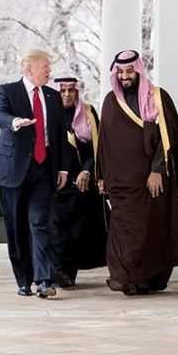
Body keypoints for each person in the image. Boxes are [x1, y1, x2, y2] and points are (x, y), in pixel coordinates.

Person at [96, 50, 178, 296]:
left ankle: (147, 279)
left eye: (129, 71)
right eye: (120, 72)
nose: (124, 76)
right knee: (122, 229)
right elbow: (104, 144)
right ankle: (124, 278)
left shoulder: (157, 98)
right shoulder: (111, 101)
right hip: (121, 182)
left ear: (138, 71)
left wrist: (157, 171)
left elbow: (168, 139)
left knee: (151, 230)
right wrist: (101, 176)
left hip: (150, 181)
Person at [0, 50, 71, 298]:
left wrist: (63, 167)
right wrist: (15, 122)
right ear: (29, 69)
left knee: (40, 224)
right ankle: (23, 280)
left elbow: (60, 134)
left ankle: (44, 280)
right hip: (13, 170)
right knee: (16, 227)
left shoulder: (53, 96)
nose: (49, 71)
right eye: (45, 67)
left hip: (44, 169)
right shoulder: (7, 91)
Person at [49, 77, 107, 288]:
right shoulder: (49, 113)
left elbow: (98, 147)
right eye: (62, 90)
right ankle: (56, 271)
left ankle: (68, 273)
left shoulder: (88, 113)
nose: (66, 95)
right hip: (55, 183)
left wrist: (87, 170)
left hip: (82, 183)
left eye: (71, 91)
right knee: (55, 230)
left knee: (76, 232)